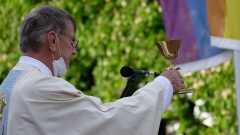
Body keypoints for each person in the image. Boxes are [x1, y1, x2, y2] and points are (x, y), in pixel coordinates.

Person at [0, 5, 185, 135]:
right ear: (53, 40)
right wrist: (163, 84)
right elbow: (109, 123)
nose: (74, 51)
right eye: (72, 41)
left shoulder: (9, 82)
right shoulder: (39, 87)